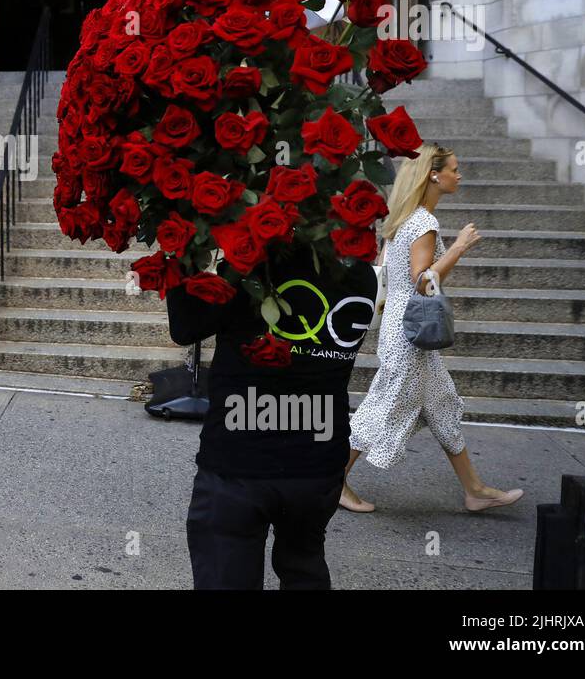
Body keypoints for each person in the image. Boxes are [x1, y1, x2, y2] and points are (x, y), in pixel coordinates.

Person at [167, 244, 377, 590]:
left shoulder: (253, 270)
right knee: (304, 566)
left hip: (240, 460)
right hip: (318, 461)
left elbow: (186, 326)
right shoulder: (361, 275)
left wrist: (183, 249)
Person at [342, 143, 524, 514]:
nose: (460, 175)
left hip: (403, 329)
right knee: (381, 408)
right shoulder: (424, 223)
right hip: (410, 335)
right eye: (454, 169)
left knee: (441, 407)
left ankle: (475, 490)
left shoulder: (404, 218)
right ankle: (332, 481)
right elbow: (423, 282)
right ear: (433, 175)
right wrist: (458, 248)